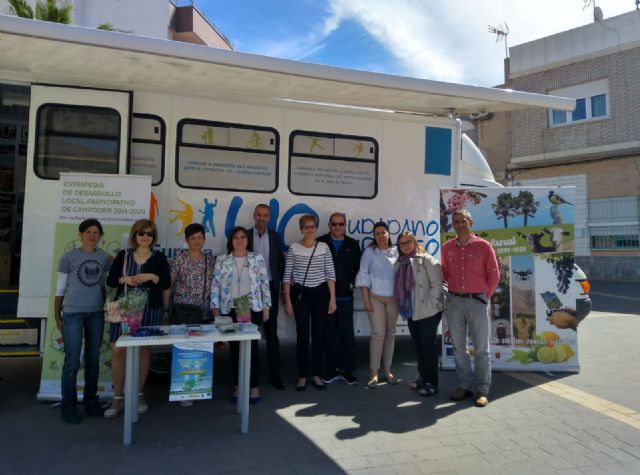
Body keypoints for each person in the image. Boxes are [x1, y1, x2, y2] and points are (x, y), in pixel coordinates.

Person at [105, 219, 171, 418]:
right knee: (118, 350)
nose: (145, 237)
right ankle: (118, 397)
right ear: (135, 235)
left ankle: (140, 394)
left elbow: (166, 282)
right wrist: (124, 279)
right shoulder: (124, 256)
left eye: (149, 234)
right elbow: (110, 280)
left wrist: (152, 276)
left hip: (150, 308)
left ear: (154, 237)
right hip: (125, 307)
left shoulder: (159, 257)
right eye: (141, 233)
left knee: (144, 350)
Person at [54, 218, 112, 424]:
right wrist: (57, 315)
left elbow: (107, 284)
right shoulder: (68, 257)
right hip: (72, 314)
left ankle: (91, 401)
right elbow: (60, 289)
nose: (92, 236)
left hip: (96, 314)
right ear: (80, 234)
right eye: (88, 232)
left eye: (96, 232)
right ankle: (68, 406)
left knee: (93, 360)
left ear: (100, 236)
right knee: (71, 362)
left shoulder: (105, 258)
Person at [442, 209, 499, 408]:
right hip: (455, 302)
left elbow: (494, 275)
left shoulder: (484, 247)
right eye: (456, 222)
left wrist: (484, 298)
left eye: (462, 221)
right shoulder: (447, 247)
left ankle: (482, 389)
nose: (459, 225)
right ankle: (464, 386)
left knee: (482, 349)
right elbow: (445, 274)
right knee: (458, 347)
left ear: (470, 222)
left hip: (477, 302)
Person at [211, 226, 271, 404]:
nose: (239, 240)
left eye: (242, 237)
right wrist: (214, 308)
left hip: (252, 309)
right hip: (230, 309)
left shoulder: (256, 259)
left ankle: (253, 387)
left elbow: (264, 283)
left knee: (251, 348)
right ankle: (237, 386)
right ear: (231, 241)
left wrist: (266, 307)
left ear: (247, 240)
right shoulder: (222, 260)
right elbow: (215, 285)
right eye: (236, 237)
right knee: (235, 349)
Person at [283, 214, 336, 391]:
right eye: (306, 227)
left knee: (319, 336)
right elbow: (286, 276)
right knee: (303, 336)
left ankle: (317, 375)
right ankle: (302, 376)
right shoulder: (294, 248)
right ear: (301, 229)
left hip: (321, 294)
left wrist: (332, 299)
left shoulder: (324, 247)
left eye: (312, 226)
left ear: (316, 228)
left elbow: (330, 274)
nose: (310, 229)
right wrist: (288, 302)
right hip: (302, 295)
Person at [169, 222, 215, 406]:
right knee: (183, 351)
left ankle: (198, 388)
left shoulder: (209, 261)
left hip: (202, 313)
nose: (197, 241)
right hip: (182, 311)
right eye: (193, 237)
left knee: (199, 351)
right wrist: (167, 310)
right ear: (187, 239)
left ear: (204, 239)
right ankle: (184, 392)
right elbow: (170, 284)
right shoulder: (179, 259)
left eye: (200, 237)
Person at [394, 231, 443, 396]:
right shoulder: (401, 263)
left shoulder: (426, 259)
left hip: (428, 311)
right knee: (419, 345)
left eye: (408, 241)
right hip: (411, 310)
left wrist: (430, 306)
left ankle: (432, 382)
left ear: (414, 242)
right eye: (402, 243)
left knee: (428, 346)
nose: (406, 245)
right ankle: (422, 376)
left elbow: (437, 284)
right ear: (399, 247)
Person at [317, 212, 361, 386]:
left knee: (346, 334)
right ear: (329, 225)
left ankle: (347, 370)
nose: (337, 227)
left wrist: (350, 282)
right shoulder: (321, 242)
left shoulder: (353, 244)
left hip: (344, 297)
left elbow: (358, 269)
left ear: (345, 226)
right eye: (334, 224)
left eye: (341, 224)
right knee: (328, 334)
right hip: (324, 297)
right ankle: (331, 369)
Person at [355, 221, 399, 389]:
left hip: (393, 299)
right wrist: (366, 300)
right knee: (378, 334)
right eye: (377, 233)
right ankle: (374, 372)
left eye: (383, 232)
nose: (380, 235)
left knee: (390, 334)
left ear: (388, 234)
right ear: (374, 236)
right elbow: (363, 275)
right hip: (375, 298)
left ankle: (387, 370)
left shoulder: (396, 251)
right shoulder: (369, 252)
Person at [247, 204, 286, 390]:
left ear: (269, 218)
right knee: (251, 335)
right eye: (259, 215)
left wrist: (282, 293)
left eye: (265, 216)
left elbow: (280, 266)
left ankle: (275, 375)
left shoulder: (276, 237)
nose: (261, 218)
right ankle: (250, 377)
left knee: (272, 335)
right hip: (250, 291)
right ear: (254, 216)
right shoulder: (244, 236)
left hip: (270, 288)